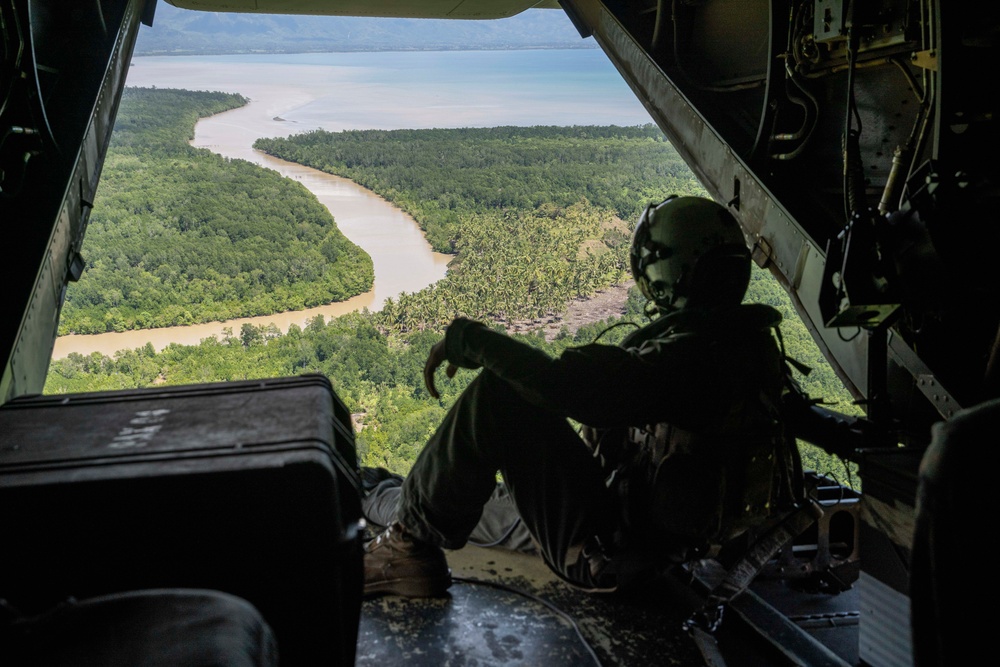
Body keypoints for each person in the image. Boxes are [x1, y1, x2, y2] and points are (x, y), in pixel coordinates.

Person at [363, 195, 802, 598]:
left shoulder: (690, 356)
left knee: (498, 395)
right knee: (492, 506)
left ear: (670, 273)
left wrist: (472, 341)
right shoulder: (751, 347)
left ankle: (408, 546)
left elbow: (568, 388)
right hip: (677, 553)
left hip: (616, 559)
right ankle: (385, 502)